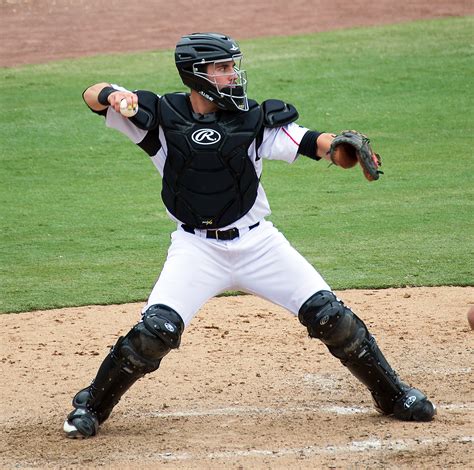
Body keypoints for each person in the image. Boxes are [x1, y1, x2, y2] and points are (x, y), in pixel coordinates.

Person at [64, 32, 436, 438]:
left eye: (232, 66)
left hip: (259, 245)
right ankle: (93, 407)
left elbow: (315, 143)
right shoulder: (159, 118)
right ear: (197, 73)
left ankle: (392, 393)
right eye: (223, 69)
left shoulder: (255, 120)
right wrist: (115, 95)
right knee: (156, 332)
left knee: (332, 319)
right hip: (196, 249)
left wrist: (343, 149)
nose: (233, 75)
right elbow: (90, 94)